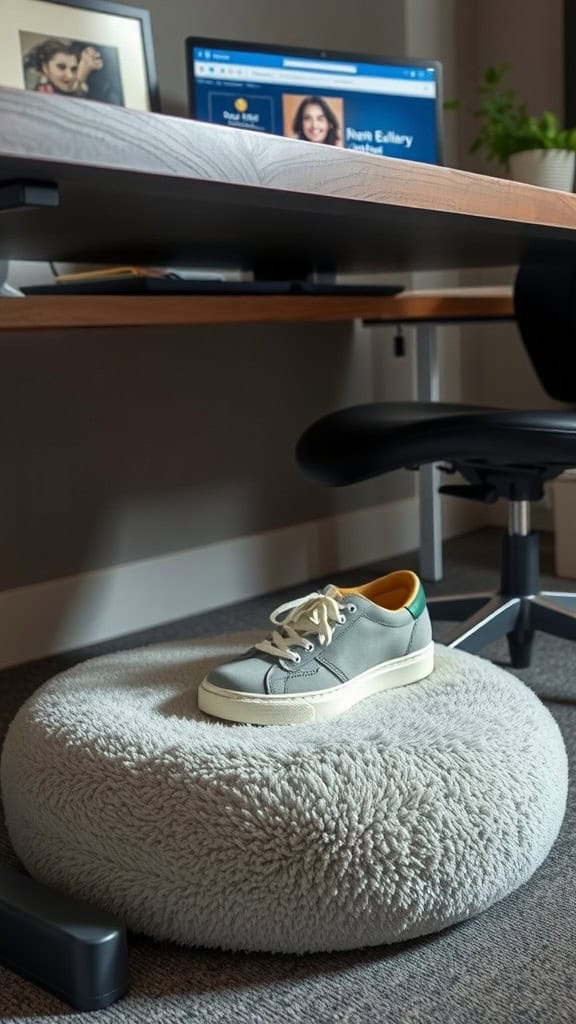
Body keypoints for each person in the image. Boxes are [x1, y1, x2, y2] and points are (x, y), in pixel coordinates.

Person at [23, 38, 103, 97]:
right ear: (45, 68)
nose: (70, 75)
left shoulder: (81, 90)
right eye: (61, 67)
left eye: (73, 69)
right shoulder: (36, 90)